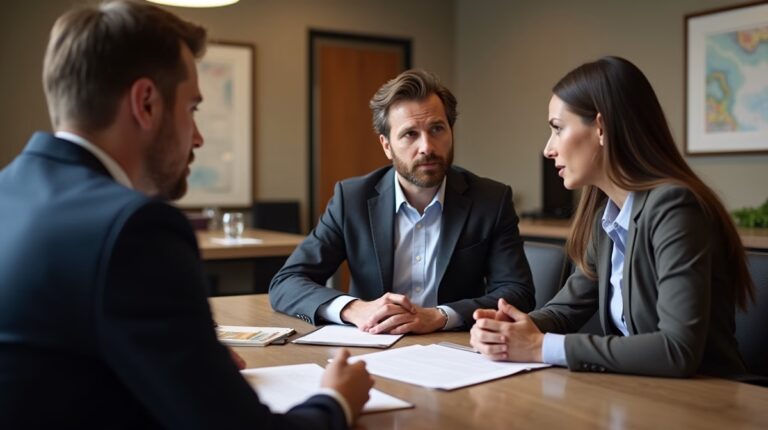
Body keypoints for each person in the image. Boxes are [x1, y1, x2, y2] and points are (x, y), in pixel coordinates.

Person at [0, 1, 372, 428]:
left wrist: (188, 364)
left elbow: (57, 368)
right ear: (146, 103)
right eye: (192, 108)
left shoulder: (10, 194)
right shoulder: (135, 229)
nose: (197, 138)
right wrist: (336, 400)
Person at [470, 56, 754, 378]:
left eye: (558, 129)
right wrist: (512, 329)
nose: (548, 149)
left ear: (601, 127)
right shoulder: (607, 217)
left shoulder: (674, 207)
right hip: (642, 391)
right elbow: (566, 310)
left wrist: (539, 346)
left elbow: (677, 349)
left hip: (708, 396)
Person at [270, 69, 534, 335]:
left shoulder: (490, 200)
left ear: (451, 132)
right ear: (386, 145)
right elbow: (287, 282)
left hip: (456, 346)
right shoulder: (351, 200)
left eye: (437, 129)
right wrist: (354, 309)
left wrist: (440, 316)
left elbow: (518, 292)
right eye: (410, 134)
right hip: (374, 346)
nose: (427, 147)